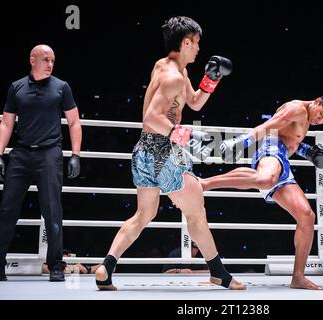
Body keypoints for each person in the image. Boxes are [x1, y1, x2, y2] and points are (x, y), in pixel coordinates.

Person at [94, 16, 245, 290]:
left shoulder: (167, 67)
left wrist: (211, 79)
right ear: (186, 42)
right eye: (197, 43)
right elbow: (151, 117)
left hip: (143, 152)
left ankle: (107, 266)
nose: (199, 48)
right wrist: (184, 135)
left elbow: (195, 103)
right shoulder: (173, 77)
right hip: (164, 153)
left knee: (144, 214)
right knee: (196, 211)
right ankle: (219, 273)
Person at [201, 93, 323, 290]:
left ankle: (298, 277)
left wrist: (307, 152)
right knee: (265, 179)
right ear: (318, 101)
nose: (320, 120)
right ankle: (203, 184)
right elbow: (269, 127)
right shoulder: (296, 109)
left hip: (283, 158)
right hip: (271, 149)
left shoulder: (308, 116)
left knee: (307, 216)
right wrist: (240, 142)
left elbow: (290, 138)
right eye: (321, 114)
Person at [0, 44, 82, 282]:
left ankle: (56, 264)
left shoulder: (61, 87)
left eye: (53, 60)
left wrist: (75, 154)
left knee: (52, 210)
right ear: (32, 60)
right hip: (21, 153)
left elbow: (74, 122)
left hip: (49, 153)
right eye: (46, 59)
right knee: (7, 210)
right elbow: (6, 123)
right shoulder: (16, 87)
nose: (50, 64)